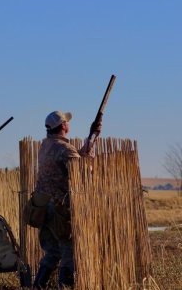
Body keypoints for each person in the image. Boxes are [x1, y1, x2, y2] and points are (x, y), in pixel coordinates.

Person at [33, 110, 102, 289]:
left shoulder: (46, 145)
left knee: (52, 253)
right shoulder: (65, 148)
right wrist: (90, 158)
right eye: (67, 122)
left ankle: (37, 286)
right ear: (63, 126)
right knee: (69, 252)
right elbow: (82, 173)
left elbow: (66, 163)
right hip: (59, 209)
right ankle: (65, 286)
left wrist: (88, 143)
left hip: (42, 207)